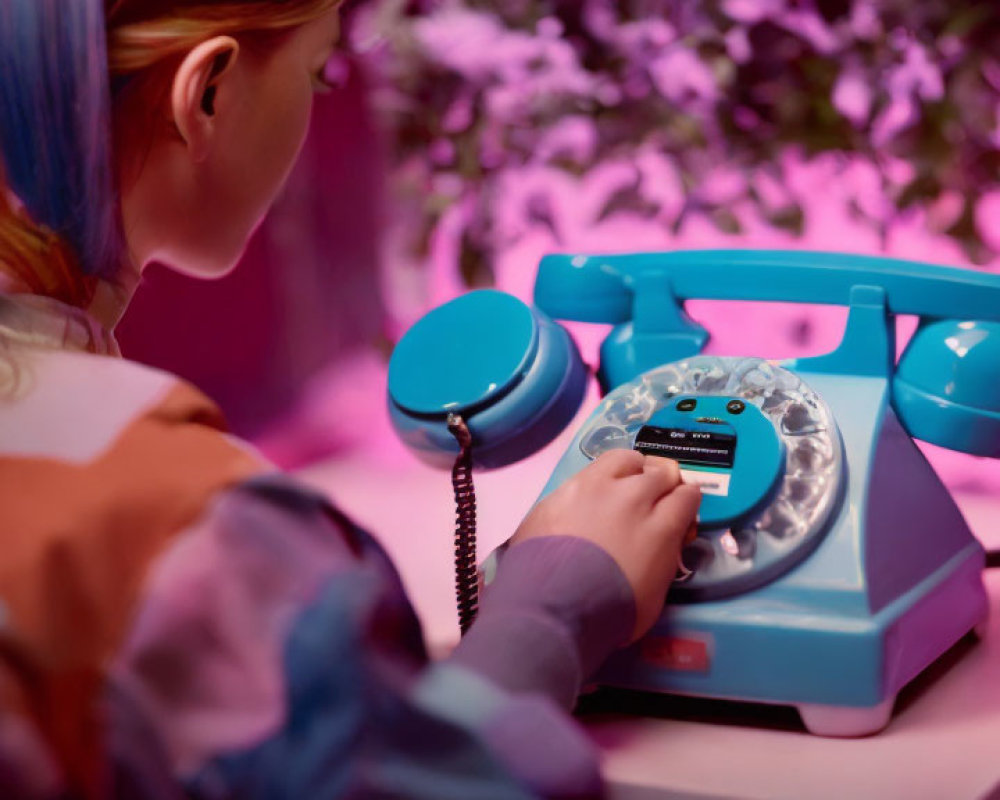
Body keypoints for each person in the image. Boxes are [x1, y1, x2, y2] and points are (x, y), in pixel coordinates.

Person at [0, 1, 702, 798]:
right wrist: (548, 613)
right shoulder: (184, 523)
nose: (318, 100)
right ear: (207, 96)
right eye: (317, 72)